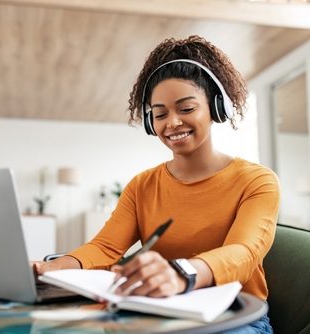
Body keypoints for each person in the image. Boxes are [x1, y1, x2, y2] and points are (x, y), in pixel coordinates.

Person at [33, 35, 280, 333]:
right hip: (162, 309)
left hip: (234, 315)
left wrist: (181, 273)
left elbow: (243, 252)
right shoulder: (143, 185)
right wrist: (50, 269)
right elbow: (105, 247)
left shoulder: (257, 181)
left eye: (186, 109)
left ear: (216, 107)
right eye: (160, 114)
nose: (172, 123)